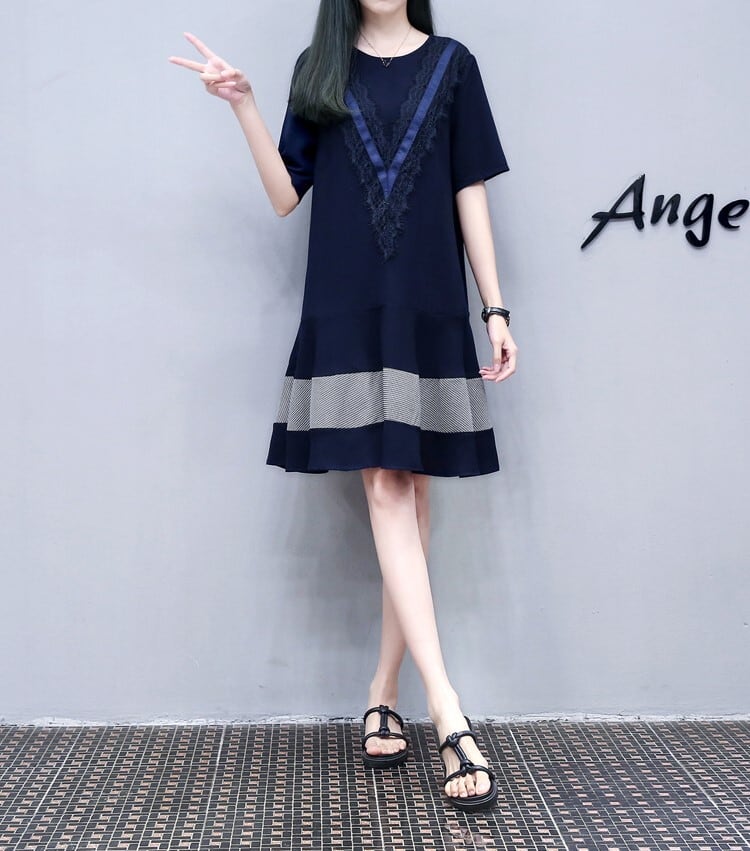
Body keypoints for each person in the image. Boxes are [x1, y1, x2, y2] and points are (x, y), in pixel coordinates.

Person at [168, 0, 517, 813]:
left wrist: (495, 307)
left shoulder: (453, 64)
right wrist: (245, 106)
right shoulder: (318, 70)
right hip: (347, 305)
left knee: (413, 493)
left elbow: (468, 187)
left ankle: (381, 689)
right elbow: (286, 194)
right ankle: (449, 711)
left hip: (428, 303)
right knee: (388, 486)